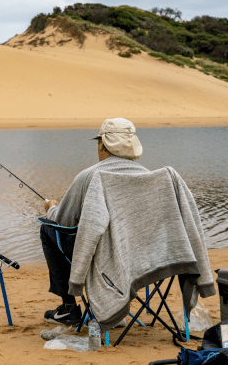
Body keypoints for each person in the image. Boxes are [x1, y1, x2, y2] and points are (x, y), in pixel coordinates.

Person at [40, 117, 147, 326]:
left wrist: (51, 207)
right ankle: (117, 307)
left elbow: (64, 220)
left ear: (103, 145)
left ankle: (69, 308)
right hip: (141, 258)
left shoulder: (89, 175)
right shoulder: (149, 176)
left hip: (100, 258)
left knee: (47, 228)